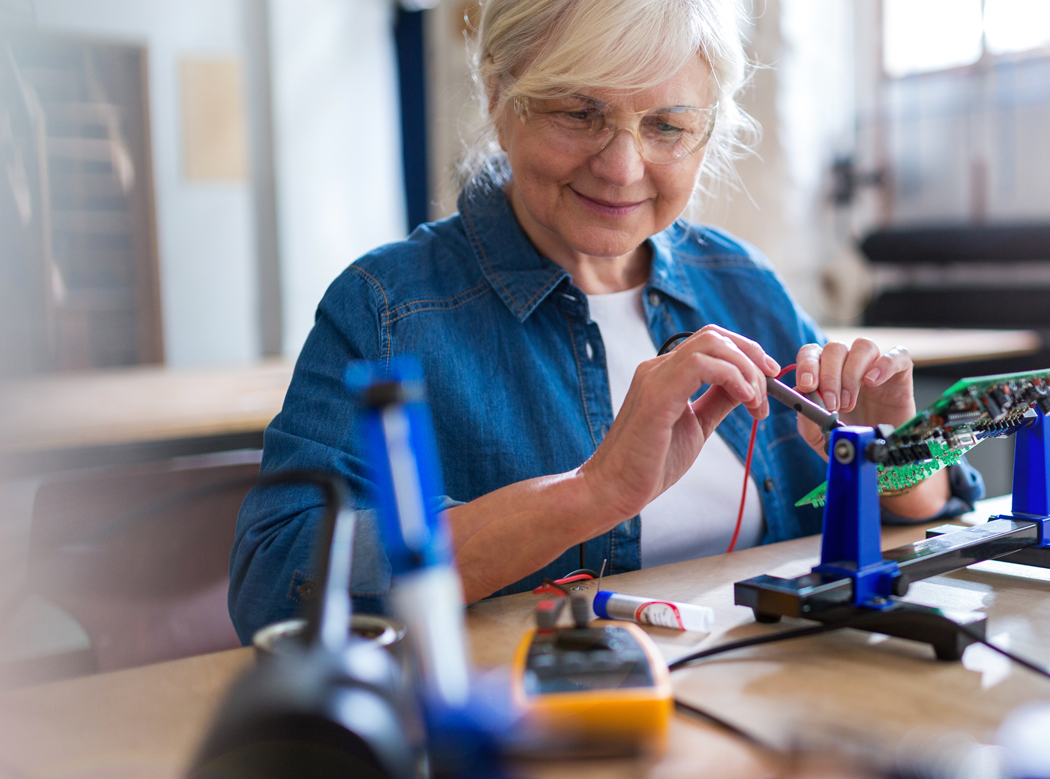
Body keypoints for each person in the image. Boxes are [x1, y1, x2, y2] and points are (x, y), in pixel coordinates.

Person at [228, 0, 983, 642]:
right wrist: (588, 494)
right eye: (580, 113)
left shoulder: (740, 282)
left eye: (666, 126)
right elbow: (277, 578)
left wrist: (896, 454)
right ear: (499, 95)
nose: (623, 167)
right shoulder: (387, 307)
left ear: (706, 129)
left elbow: (923, 510)